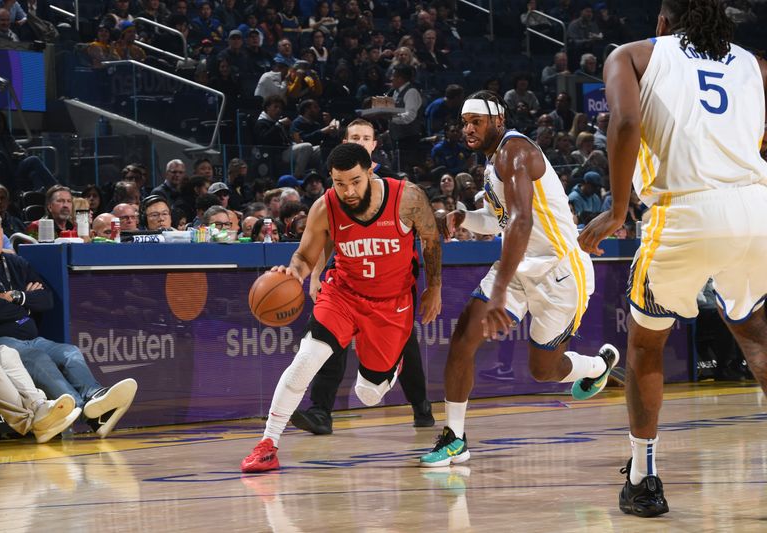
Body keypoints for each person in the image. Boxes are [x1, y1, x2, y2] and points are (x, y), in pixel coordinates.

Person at [578, 0, 767, 518]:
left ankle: (643, 479)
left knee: (645, 344)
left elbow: (624, 123)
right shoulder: (757, 66)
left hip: (683, 210)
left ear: (663, 22)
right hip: (755, 208)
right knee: (756, 334)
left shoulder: (634, 55)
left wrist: (617, 212)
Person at [420, 91, 619, 468]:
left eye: (476, 121)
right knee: (463, 337)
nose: (468, 129)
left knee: (543, 370)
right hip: (518, 265)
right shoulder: (493, 163)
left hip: (558, 271)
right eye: (464, 122)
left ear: (498, 120)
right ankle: (455, 438)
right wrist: (465, 218)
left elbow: (522, 222)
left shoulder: (516, 152)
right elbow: (500, 221)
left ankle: (596, 367)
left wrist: (497, 292)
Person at [240, 143, 442, 472]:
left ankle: (392, 367)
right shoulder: (325, 207)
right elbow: (305, 257)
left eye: (355, 182)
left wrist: (434, 287)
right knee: (306, 359)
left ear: (370, 172)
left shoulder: (407, 197)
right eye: (339, 183)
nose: (347, 191)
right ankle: (268, 444)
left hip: (391, 303)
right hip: (343, 293)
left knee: (368, 394)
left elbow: (431, 240)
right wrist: (293, 273)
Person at [290, 119, 436, 435]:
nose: (360, 140)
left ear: (374, 147)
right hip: (350, 281)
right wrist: (316, 274)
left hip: (394, 285)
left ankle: (420, 405)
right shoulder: (339, 193)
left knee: (405, 346)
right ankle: (320, 411)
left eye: (366, 137)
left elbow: (429, 236)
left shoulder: (398, 189)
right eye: (354, 136)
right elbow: (328, 236)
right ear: (344, 141)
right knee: (330, 342)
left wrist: (433, 286)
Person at [0, 210, 138, 438]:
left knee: (70, 352)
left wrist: (18, 297)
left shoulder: (16, 262)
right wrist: (28, 306)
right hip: (0, 340)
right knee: (39, 359)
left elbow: (47, 300)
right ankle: (91, 415)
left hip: (31, 337)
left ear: (2, 233)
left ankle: (96, 395)